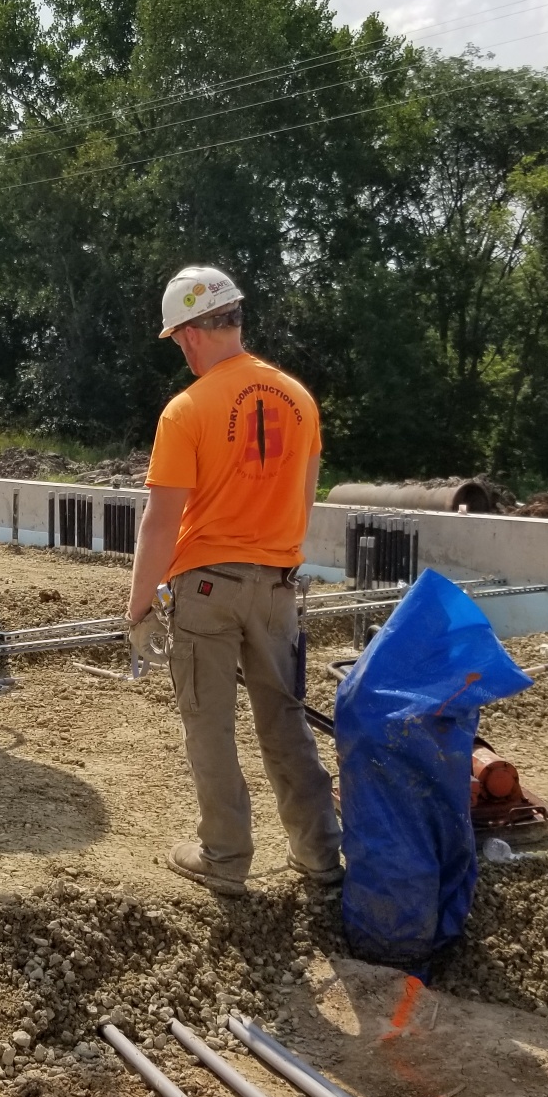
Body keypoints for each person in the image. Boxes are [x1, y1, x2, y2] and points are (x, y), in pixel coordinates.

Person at [124, 265, 341, 896]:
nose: (183, 350)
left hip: (207, 588)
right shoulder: (299, 399)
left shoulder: (187, 409)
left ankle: (224, 857)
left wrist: (139, 608)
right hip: (277, 587)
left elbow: (160, 524)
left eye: (181, 338)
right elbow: (304, 500)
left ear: (192, 331)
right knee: (285, 719)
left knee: (210, 723)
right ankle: (320, 856)